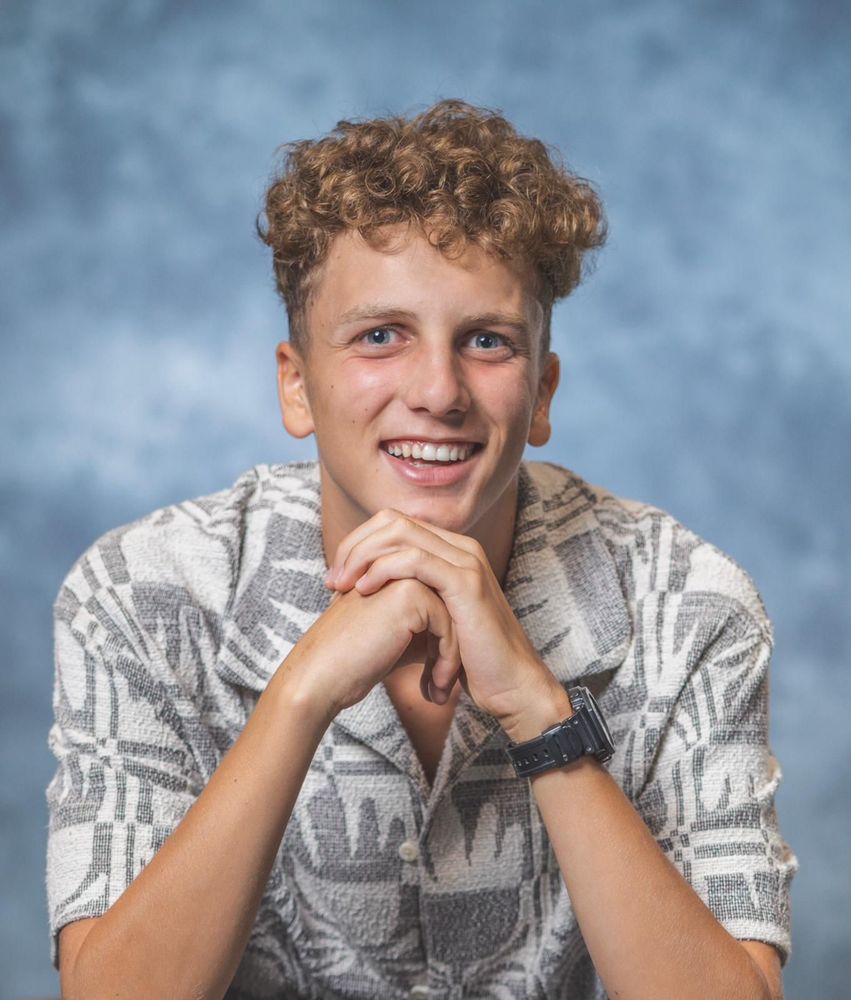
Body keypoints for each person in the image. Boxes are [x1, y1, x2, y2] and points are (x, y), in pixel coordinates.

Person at [47, 99, 797, 999]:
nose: (438, 391)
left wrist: (541, 714)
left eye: (486, 341)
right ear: (296, 385)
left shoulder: (690, 605)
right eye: (380, 336)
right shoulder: (141, 594)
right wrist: (298, 696)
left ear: (542, 392)